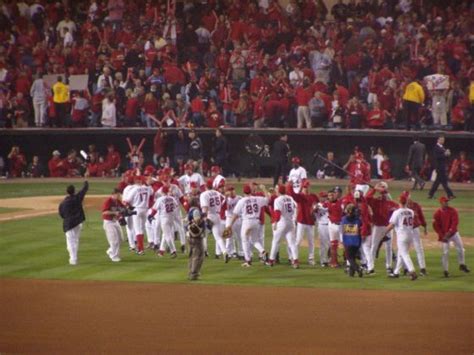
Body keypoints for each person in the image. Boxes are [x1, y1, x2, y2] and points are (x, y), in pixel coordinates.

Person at [226, 184, 269, 267]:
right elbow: (267, 199)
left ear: (243, 192)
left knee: (245, 240)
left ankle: (248, 261)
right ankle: (263, 251)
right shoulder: (257, 199)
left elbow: (235, 215)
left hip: (247, 222)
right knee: (255, 240)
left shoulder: (242, 201)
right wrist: (264, 189)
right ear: (250, 191)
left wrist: (230, 225)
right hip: (256, 222)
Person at [433, 196, 470, 277]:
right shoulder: (437, 213)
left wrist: (449, 233)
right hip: (444, 235)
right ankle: (445, 271)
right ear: (441, 203)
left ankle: (462, 265)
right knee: (445, 253)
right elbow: (436, 226)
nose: (446, 202)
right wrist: (442, 236)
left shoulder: (453, 210)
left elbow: (455, 223)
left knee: (460, 248)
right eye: (445, 201)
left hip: (454, 233)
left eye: (447, 201)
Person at [386, 194, 418, 281]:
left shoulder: (397, 212)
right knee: (401, 253)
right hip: (410, 234)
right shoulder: (411, 211)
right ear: (406, 202)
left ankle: (412, 271)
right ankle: (396, 272)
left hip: (402, 236)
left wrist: (384, 232)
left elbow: (392, 225)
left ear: (399, 202)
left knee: (404, 254)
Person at [266, 184, 299, 268]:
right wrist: (294, 218)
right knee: (292, 243)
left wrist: (276, 223)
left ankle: (271, 261)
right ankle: (295, 261)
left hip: (282, 222)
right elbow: (296, 206)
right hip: (291, 222)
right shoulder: (290, 198)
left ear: (279, 191)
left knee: (275, 241)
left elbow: (277, 213)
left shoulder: (278, 199)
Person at [58, 181, 89, 265]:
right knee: (75, 241)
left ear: (66, 192)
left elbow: (61, 214)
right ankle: (73, 257)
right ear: (74, 191)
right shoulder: (77, 198)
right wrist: (85, 182)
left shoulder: (63, 203)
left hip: (69, 224)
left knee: (71, 242)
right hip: (78, 223)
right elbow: (84, 190)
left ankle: (73, 259)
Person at [200, 180, 229, 262]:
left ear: (206, 186)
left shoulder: (204, 194)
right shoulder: (217, 193)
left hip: (209, 215)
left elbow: (205, 208)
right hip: (218, 216)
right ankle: (224, 251)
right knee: (218, 237)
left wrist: (204, 219)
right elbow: (224, 199)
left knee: (203, 235)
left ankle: (204, 252)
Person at [341, 204, 363, 277]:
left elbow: (341, 229)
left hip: (348, 241)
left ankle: (358, 269)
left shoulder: (343, 219)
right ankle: (351, 273)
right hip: (357, 241)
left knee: (349, 257)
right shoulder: (358, 220)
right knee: (352, 256)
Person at [101, 189, 124, 262]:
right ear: (113, 194)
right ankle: (114, 256)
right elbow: (104, 212)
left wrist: (128, 210)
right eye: (118, 194)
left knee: (120, 239)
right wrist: (114, 213)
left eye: (119, 195)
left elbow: (123, 208)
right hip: (108, 222)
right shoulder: (108, 201)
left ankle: (111, 250)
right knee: (114, 240)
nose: (119, 196)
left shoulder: (117, 201)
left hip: (115, 222)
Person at [187, 203, 206, 280]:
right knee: (198, 256)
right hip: (196, 237)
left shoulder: (190, 210)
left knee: (192, 255)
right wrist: (201, 221)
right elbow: (197, 219)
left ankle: (191, 272)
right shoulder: (196, 211)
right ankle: (194, 274)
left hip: (191, 237)